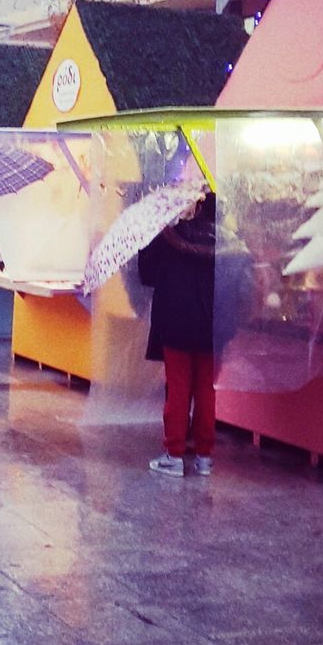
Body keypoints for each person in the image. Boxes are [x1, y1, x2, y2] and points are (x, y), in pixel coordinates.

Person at [137, 192, 245, 478]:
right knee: (205, 391)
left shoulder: (171, 236)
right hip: (213, 328)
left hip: (175, 325)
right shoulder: (232, 244)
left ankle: (173, 455)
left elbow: (146, 275)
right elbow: (240, 289)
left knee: (178, 389)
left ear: (198, 208)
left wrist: (151, 237)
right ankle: (204, 457)